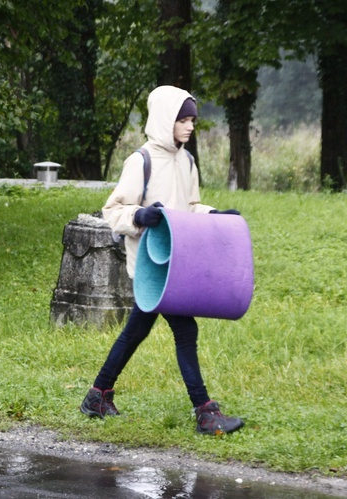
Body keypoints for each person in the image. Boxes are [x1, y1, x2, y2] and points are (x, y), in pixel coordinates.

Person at [80, 86, 244, 435]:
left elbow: (191, 206)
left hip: (180, 263)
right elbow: (113, 210)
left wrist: (217, 215)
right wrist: (140, 216)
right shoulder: (141, 161)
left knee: (136, 331)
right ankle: (205, 411)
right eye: (182, 119)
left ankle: (97, 395)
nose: (189, 127)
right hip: (151, 268)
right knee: (186, 329)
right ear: (164, 120)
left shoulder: (186, 161)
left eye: (192, 120)